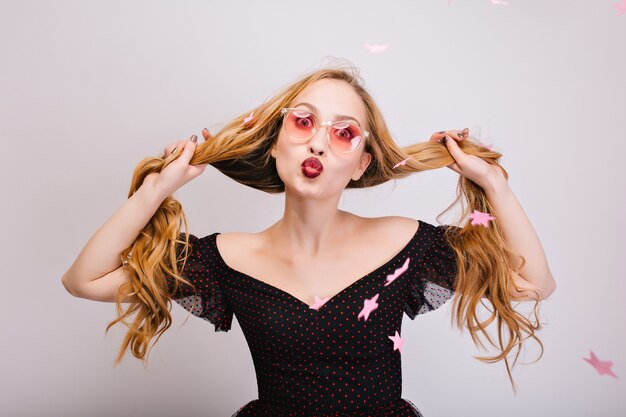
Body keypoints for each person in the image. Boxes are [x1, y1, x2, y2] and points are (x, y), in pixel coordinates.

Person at [61, 61, 556, 417]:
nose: (318, 140)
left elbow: (534, 283)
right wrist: (159, 187)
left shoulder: (406, 245)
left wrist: (493, 183)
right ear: (276, 140)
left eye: (344, 133)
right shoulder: (225, 259)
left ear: (362, 163)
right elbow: (85, 279)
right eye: (303, 121)